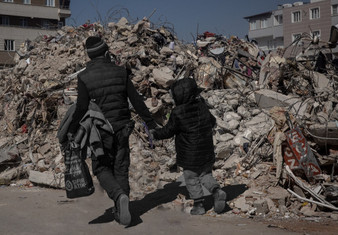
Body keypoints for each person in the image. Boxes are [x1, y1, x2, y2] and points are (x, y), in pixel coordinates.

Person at [67, 36, 157, 226]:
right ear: (107, 52)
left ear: (89, 57)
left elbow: (81, 107)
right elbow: (136, 101)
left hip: (100, 132)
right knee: (121, 167)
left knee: (101, 167)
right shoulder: (120, 72)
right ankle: (121, 204)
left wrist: (72, 129)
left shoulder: (84, 77)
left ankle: (118, 197)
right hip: (123, 127)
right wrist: (151, 122)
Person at [151, 77, 227, 215]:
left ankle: (199, 205)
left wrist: (155, 134)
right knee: (205, 174)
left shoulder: (178, 112)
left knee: (191, 177)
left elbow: (168, 131)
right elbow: (212, 121)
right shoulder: (202, 106)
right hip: (206, 151)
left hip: (189, 155)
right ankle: (216, 191)